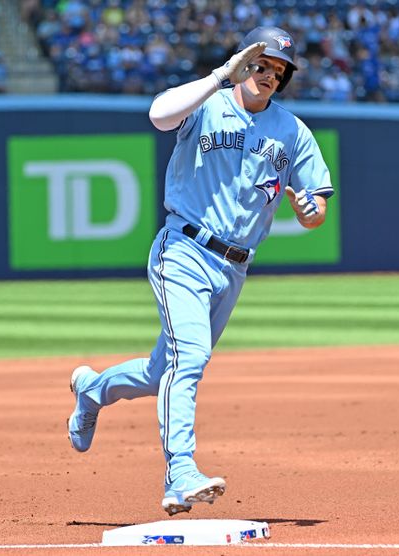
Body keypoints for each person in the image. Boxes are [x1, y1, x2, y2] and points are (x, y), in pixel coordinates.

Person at [66, 26, 334, 516]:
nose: (269, 75)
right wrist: (219, 75)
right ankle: (180, 473)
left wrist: (310, 211)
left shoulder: (292, 132)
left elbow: (317, 204)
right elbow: (158, 115)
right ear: (242, 63)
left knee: (158, 372)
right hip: (184, 250)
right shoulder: (207, 103)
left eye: (278, 70)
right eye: (261, 63)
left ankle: (91, 391)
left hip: (234, 268)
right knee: (189, 359)